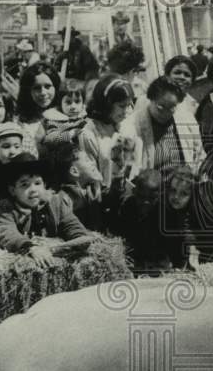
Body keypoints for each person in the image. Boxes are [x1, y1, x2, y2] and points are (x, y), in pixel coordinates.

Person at [0, 154, 100, 268]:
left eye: (37, 183)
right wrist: (29, 247)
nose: (33, 190)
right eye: (24, 185)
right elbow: (6, 232)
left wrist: (58, 247)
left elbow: (74, 228)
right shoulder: (6, 208)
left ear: (44, 185)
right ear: (13, 190)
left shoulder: (56, 203)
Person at [77, 75, 139, 225]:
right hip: (101, 205)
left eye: (130, 105)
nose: (127, 111)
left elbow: (134, 162)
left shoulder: (127, 126)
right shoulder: (89, 133)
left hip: (126, 199)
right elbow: (89, 179)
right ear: (106, 104)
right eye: (121, 106)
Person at [122, 77, 205, 175]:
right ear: (150, 99)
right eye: (160, 107)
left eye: (172, 107)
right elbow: (127, 169)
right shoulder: (130, 127)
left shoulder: (187, 118)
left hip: (184, 182)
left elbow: (199, 155)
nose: (166, 113)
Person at [112, 169, 168, 273]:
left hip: (156, 263)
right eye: (141, 197)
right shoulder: (127, 207)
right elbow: (120, 235)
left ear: (160, 195)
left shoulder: (165, 213)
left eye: (152, 198)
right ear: (134, 192)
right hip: (133, 260)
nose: (145, 202)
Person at [157, 164, 199, 270]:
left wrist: (192, 250)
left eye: (184, 194)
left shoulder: (193, 210)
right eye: (173, 190)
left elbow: (190, 234)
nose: (176, 197)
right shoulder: (160, 207)